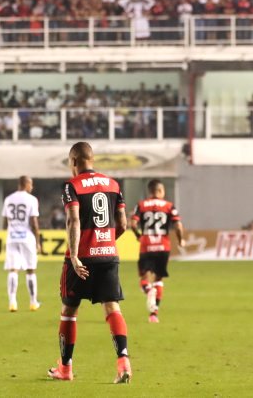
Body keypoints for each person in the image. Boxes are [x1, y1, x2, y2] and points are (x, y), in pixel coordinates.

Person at [48, 142, 131, 384]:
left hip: (82, 258)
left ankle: (65, 368)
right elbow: (123, 224)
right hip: (108, 255)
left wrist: (75, 255)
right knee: (112, 307)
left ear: (73, 161)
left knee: (69, 311)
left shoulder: (71, 185)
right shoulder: (114, 184)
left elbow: (74, 220)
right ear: (91, 159)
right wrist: (103, 243)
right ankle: (123, 361)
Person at [130, 179, 184, 323]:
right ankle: (153, 315)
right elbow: (178, 226)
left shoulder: (141, 205)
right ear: (160, 191)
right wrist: (180, 240)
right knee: (159, 279)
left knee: (144, 279)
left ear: (150, 191)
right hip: (163, 246)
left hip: (147, 245)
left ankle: (149, 291)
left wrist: (138, 236)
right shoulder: (169, 206)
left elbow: (133, 223)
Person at [2, 175, 41, 312]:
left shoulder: (8, 199)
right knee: (30, 270)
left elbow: (5, 222)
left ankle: (12, 302)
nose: (32, 187)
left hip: (12, 237)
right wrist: (38, 241)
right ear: (26, 184)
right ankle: (33, 302)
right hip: (27, 237)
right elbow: (34, 223)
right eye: (31, 184)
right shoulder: (31, 199)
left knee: (13, 269)